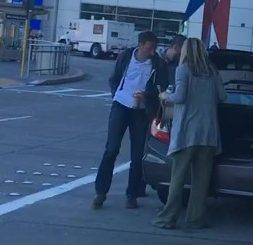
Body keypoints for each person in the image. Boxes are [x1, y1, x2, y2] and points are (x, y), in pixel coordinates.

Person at [154, 38, 226, 229]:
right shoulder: (212, 70)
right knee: (201, 180)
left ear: (186, 51)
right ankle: (195, 219)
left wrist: (165, 96)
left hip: (186, 133)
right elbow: (223, 96)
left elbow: (179, 97)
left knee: (178, 177)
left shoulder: (183, 69)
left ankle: (167, 218)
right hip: (208, 133)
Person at [93, 30, 170, 209]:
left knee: (137, 154)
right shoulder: (126, 56)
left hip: (141, 111)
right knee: (111, 149)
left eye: (154, 48)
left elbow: (162, 88)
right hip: (121, 104)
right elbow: (114, 78)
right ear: (140, 45)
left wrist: (147, 95)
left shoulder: (158, 64)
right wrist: (116, 94)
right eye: (149, 48)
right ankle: (101, 192)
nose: (152, 52)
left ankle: (132, 194)